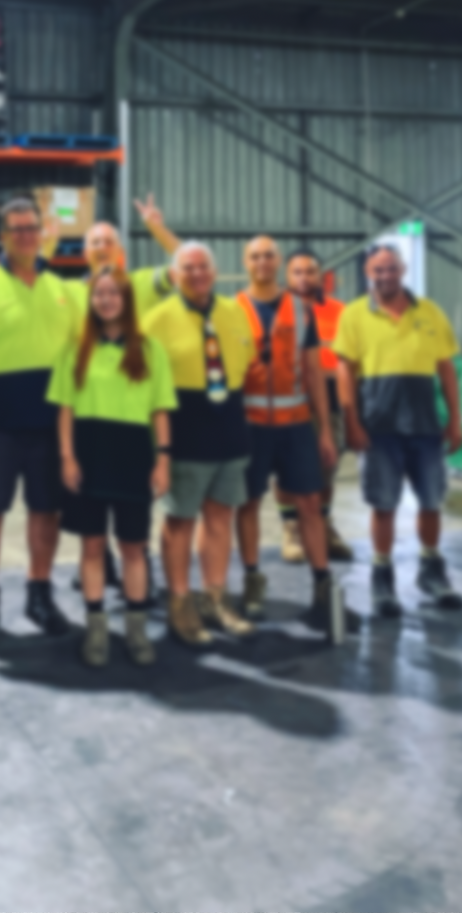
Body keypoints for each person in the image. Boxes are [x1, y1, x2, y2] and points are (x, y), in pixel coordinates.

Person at [0, 198, 78, 649]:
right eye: (16, 229)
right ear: (2, 236)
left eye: (31, 228)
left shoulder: (62, 290)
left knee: (46, 511)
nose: (25, 235)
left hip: (50, 427)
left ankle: (39, 594)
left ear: (43, 233)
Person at [49, 266, 175, 667]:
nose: (105, 300)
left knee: (133, 547)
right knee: (92, 545)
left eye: (113, 293)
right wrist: (67, 457)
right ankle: (97, 629)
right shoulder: (75, 350)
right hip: (89, 456)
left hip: (133, 457)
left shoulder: (151, 350)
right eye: (99, 293)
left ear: (127, 300)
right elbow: (65, 410)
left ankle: (136, 630)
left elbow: (160, 410)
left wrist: (163, 460)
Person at [334, 244, 462, 617]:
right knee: (384, 504)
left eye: (391, 268)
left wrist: (455, 419)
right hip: (378, 429)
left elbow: (446, 369)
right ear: (368, 272)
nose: (385, 275)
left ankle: (432, 572)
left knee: (431, 501)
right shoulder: (354, 314)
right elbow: (345, 371)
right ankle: (382, 580)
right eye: (378, 270)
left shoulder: (430, 312)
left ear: (403, 270)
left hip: (425, 428)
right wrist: (352, 423)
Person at [142, 242, 256, 646]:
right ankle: (180, 603)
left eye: (203, 266)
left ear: (215, 271)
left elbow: (246, 363)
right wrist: (159, 450)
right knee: (181, 520)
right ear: (174, 274)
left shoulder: (234, 311)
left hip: (229, 429)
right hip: (184, 433)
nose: (197, 273)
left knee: (220, 517)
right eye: (187, 267)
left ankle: (215, 597)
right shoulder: (156, 320)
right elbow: (146, 384)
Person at [233, 236, 343, 632]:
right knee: (248, 504)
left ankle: (322, 587)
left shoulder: (300, 309)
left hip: (296, 424)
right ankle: (252, 581)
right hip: (250, 426)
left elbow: (314, 372)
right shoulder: (231, 310)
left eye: (269, 255)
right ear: (245, 262)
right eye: (255, 256)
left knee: (310, 503)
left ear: (278, 261)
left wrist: (325, 430)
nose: (262, 262)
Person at [277, 249, 353, 563]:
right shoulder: (277, 310)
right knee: (286, 469)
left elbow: (348, 363)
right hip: (288, 400)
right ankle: (292, 528)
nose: (304, 278)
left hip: (330, 401)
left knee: (326, 467)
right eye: (297, 272)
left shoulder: (339, 312)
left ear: (321, 276)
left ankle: (324, 525)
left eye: (310, 272)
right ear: (287, 276)